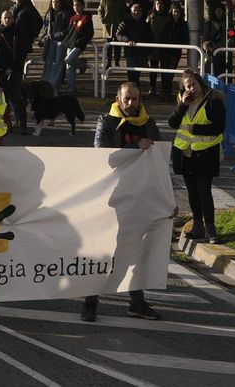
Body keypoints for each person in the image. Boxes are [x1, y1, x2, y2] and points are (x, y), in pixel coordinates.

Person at [83, 82, 162, 322]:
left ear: (140, 100)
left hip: (140, 197)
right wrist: (134, 147)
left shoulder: (149, 124)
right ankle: (90, 302)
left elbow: (158, 163)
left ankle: (137, 302)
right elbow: (103, 155)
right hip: (111, 197)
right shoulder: (106, 122)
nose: (131, 103)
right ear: (118, 99)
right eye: (126, 99)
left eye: (135, 99)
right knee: (105, 250)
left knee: (136, 250)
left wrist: (166, 200)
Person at [168, 71, 226, 245]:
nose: (192, 88)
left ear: (201, 84)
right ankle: (197, 225)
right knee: (192, 192)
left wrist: (197, 129)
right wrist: (182, 106)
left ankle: (210, 229)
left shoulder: (213, 101)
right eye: (188, 86)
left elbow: (219, 127)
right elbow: (172, 123)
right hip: (185, 153)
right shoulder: (183, 102)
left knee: (204, 191)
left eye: (194, 84)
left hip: (205, 153)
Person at [115, 2, 153, 88]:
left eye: (139, 10)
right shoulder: (125, 22)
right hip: (131, 53)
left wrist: (148, 51)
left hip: (142, 53)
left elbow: (151, 37)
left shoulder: (145, 24)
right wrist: (127, 40)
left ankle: (136, 93)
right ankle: (134, 93)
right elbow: (118, 34)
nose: (136, 12)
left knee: (137, 76)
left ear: (142, 12)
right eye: (134, 10)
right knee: (132, 77)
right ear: (130, 12)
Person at [62, 0, 94, 95]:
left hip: (79, 44)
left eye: (78, 5)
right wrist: (66, 40)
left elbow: (89, 33)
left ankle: (82, 63)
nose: (76, 7)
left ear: (83, 6)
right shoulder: (72, 17)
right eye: (74, 5)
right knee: (70, 67)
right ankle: (71, 88)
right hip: (70, 44)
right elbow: (69, 31)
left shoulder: (86, 17)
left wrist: (81, 41)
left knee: (68, 60)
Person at [98, 0, 129, 68]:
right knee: (108, 45)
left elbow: (125, 10)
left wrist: (123, 20)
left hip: (118, 25)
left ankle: (117, 62)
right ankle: (108, 62)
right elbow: (100, 10)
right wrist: (102, 19)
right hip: (108, 25)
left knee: (117, 45)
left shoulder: (121, 0)